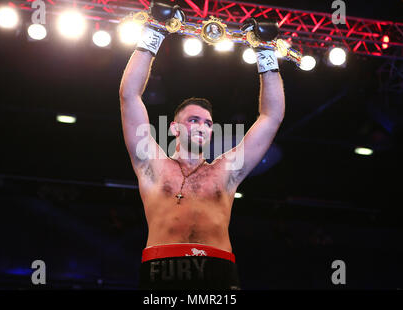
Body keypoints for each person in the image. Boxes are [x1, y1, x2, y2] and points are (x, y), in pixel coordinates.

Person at [119, 11, 284, 290]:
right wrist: (155, 31)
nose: (202, 127)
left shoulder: (226, 171)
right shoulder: (153, 164)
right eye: (193, 120)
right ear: (174, 128)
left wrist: (266, 52)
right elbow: (129, 96)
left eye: (207, 123)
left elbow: (271, 117)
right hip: (163, 269)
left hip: (218, 270)